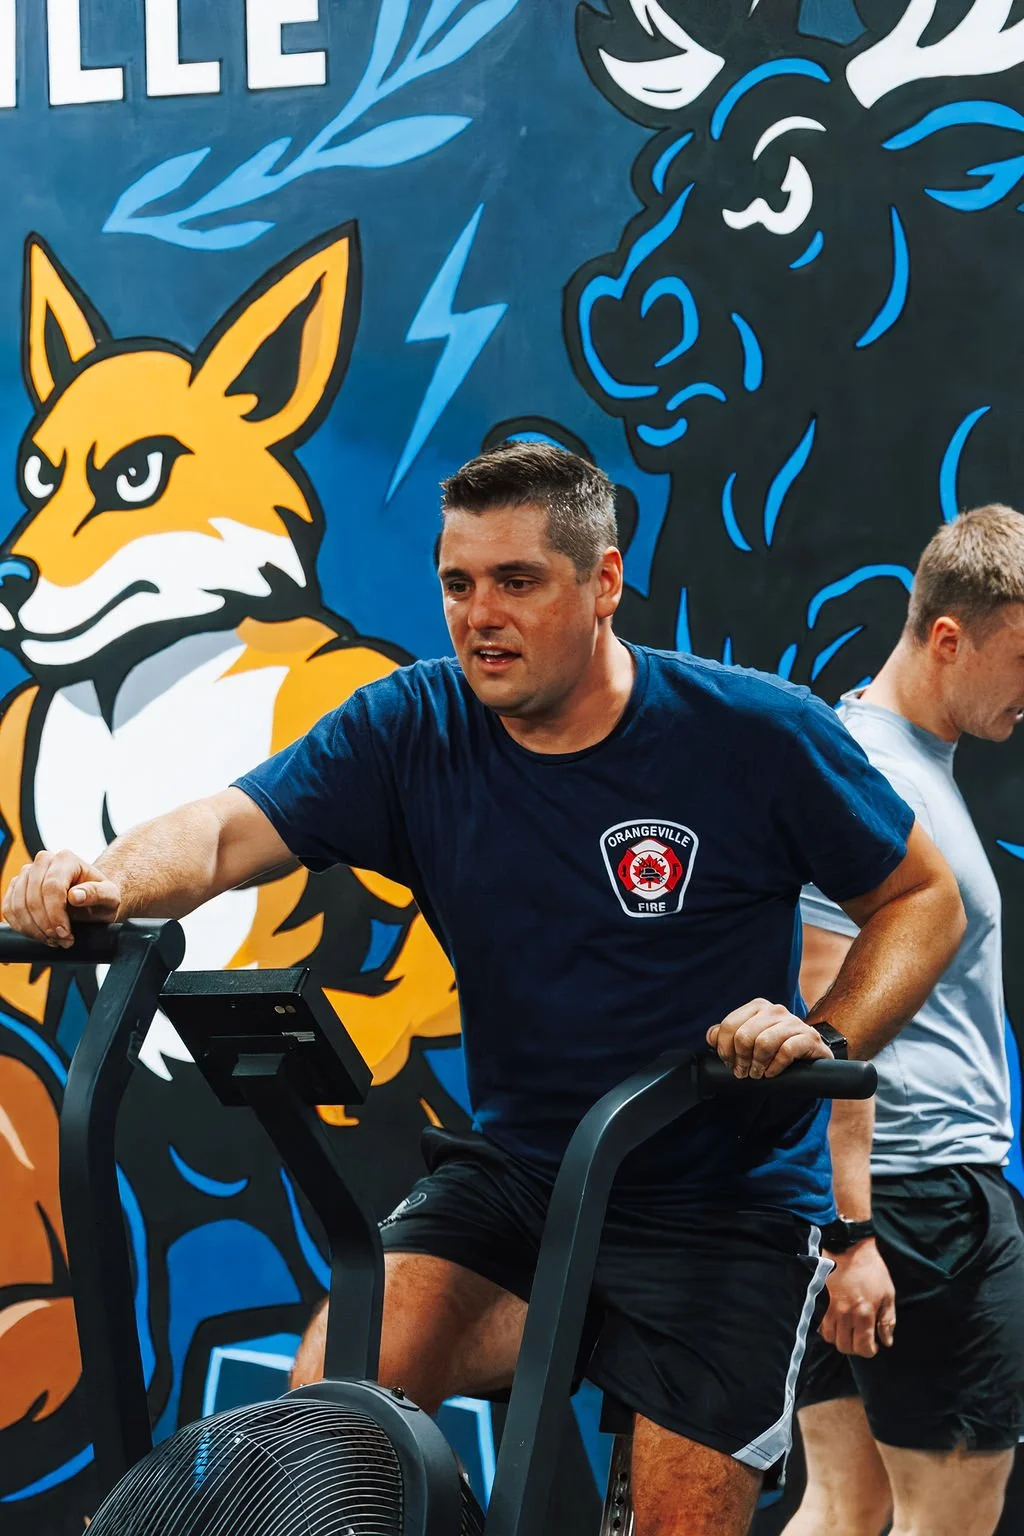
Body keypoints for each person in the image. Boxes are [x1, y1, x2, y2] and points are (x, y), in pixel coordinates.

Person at [2, 444, 964, 1536]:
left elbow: (922, 898)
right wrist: (103, 881)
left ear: (603, 583)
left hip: (723, 1202)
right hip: (522, 1180)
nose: (480, 617)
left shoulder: (751, 732)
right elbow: (224, 831)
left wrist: (821, 1035)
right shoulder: (412, 728)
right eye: (458, 584)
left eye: (517, 581)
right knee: (317, 1436)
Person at [784, 505, 1024, 1536]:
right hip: (915, 1209)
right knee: (949, 1518)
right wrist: (853, 1237)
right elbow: (830, 1016)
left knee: (844, 1507)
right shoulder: (875, 777)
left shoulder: (895, 764)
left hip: (889, 1207)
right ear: (947, 639)